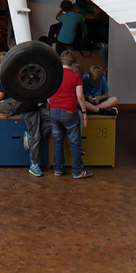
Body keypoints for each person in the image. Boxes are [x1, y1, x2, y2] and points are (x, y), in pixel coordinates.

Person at [49, 50, 92, 179]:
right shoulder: (75, 76)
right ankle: (77, 171)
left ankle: (58, 169)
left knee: (57, 141)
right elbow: (80, 95)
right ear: (73, 64)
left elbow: (48, 93)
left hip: (54, 110)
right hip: (69, 111)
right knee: (74, 142)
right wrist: (84, 112)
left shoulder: (54, 75)